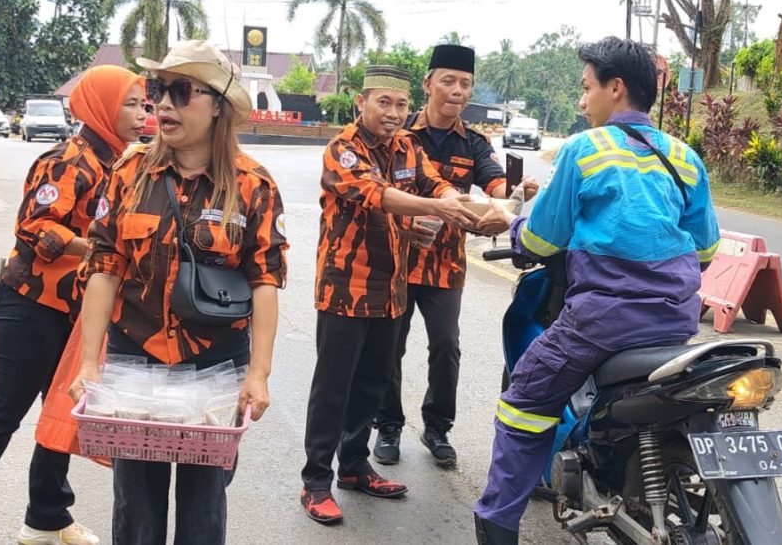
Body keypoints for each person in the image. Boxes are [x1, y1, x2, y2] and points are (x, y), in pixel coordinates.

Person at [472, 37, 721, 544]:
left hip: (602, 320)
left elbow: (543, 237)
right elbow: (705, 250)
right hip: (675, 322)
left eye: (586, 89)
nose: (582, 102)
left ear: (616, 87)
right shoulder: (685, 157)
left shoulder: (585, 150)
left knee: (524, 401)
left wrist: (513, 225)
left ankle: (496, 524)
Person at [68, 40, 288, 544]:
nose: (163, 104)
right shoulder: (130, 172)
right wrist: (89, 364)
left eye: (182, 92)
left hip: (215, 363)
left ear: (217, 107)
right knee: (136, 510)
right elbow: (104, 267)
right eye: (158, 90)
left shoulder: (254, 185)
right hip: (136, 357)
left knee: (203, 508)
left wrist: (258, 374)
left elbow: (265, 280)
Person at [300, 65, 481, 525]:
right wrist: (436, 207)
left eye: (401, 105)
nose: (394, 114)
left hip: (392, 289)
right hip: (347, 287)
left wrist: (450, 198)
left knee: (372, 382)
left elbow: (431, 180)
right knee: (333, 388)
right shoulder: (342, 149)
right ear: (361, 103)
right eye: (384, 103)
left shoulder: (407, 147)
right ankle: (316, 480)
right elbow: (377, 194)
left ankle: (355, 466)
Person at [0, 65, 146, 545]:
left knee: (61, 414)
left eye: (144, 104)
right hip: (30, 304)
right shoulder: (70, 160)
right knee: (5, 412)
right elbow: (34, 227)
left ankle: (46, 519)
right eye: (130, 104)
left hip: (74, 311)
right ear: (100, 106)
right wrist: (97, 249)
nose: (142, 114)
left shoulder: (116, 162)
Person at [373, 44, 538, 469]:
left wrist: (516, 196)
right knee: (389, 345)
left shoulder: (476, 143)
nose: (457, 90)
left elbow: (496, 185)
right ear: (428, 84)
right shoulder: (399, 132)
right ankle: (388, 424)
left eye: (465, 84)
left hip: (445, 264)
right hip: (396, 258)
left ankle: (438, 426)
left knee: (446, 345)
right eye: (448, 81)